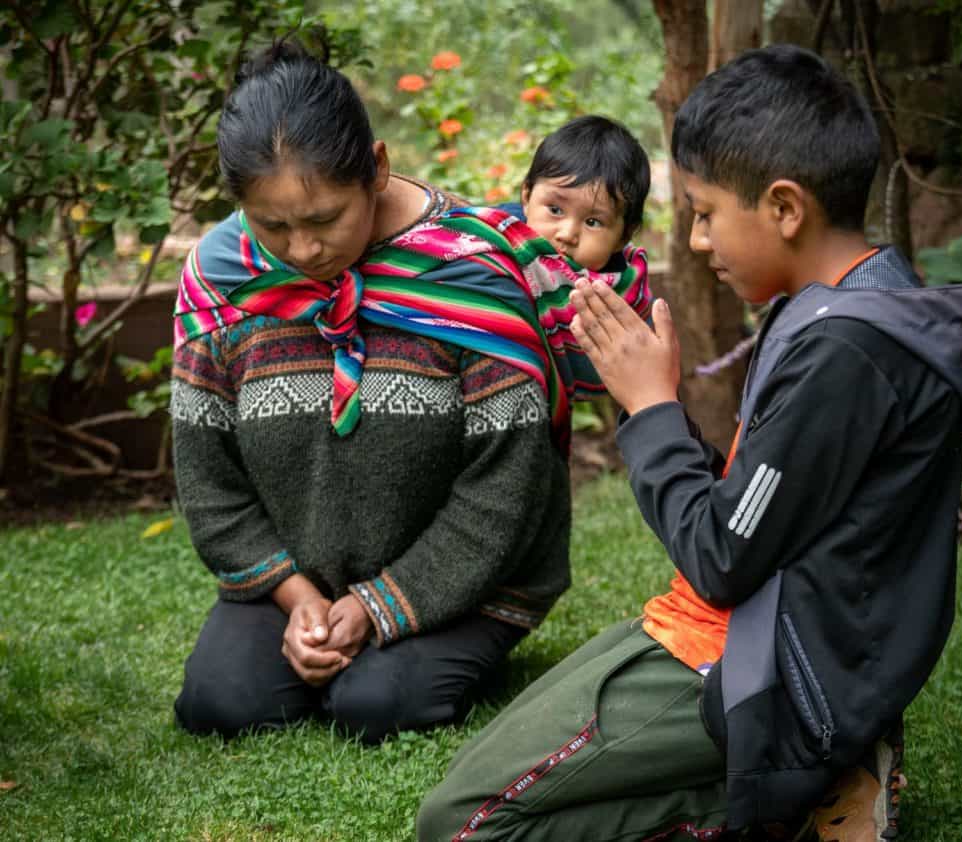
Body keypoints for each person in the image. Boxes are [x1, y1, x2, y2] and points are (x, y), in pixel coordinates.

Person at [416, 44, 962, 842]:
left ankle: (793, 798)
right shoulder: (849, 301)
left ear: (786, 208)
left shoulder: (847, 352)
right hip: (753, 627)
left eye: (705, 211)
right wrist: (652, 402)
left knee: (462, 823)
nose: (694, 240)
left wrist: (650, 406)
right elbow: (757, 510)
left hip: (768, 668)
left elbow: (722, 555)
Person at [171, 40, 651, 745]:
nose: (303, 251)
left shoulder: (470, 272)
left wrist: (376, 607)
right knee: (222, 704)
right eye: (273, 226)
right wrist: (298, 599)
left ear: (379, 168)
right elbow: (207, 476)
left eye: (325, 218)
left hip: (466, 581)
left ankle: (436, 636)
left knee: (375, 704)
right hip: (299, 579)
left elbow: (507, 488)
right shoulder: (223, 278)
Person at [514, 114, 650, 273]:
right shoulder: (492, 259)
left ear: (623, 237)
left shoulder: (626, 288)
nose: (567, 234)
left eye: (592, 222)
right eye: (555, 210)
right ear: (527, 197)